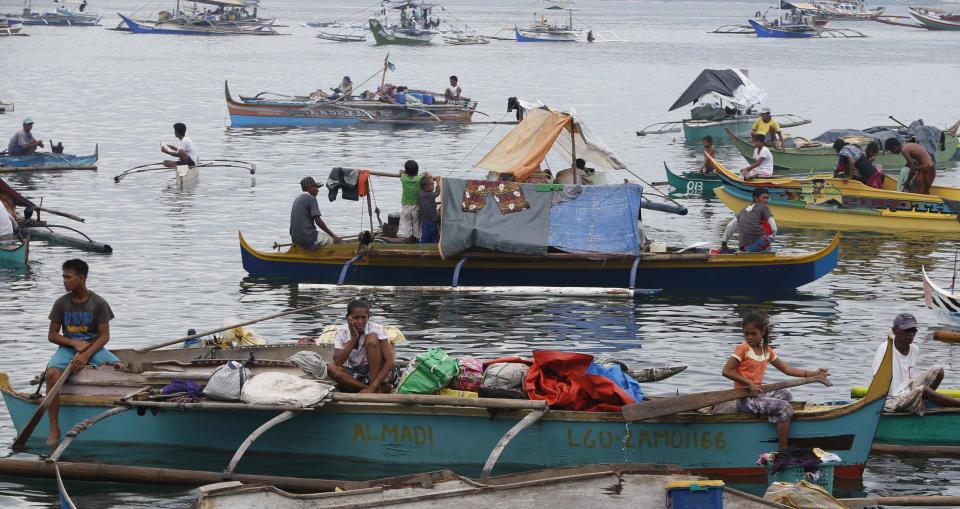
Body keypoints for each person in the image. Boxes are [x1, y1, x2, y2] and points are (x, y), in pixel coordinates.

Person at [722, 310, 828, 450]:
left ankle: (776, 422)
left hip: (757, 396)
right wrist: (749, 383)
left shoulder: (767, 350)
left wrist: (813, 374)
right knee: (784, 407)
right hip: (745, 399)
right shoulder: (743, 349)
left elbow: (786, 369)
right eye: (746, 333)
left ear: (763, 332)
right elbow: (726, 371)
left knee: (786, 393)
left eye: (753, 334)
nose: (749, 337)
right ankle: (783, 450)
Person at [45, 259, 123, 446]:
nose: (64, 281)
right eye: (63, 277)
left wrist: (86, 355)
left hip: (94, 348)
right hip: (67, 349)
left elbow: (104, 336)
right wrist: (73, 343)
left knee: (121, 369)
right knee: (51, 374)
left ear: (81, 278)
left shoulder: (98, 303)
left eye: (68, 277)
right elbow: (52, 335)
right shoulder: (61, 303)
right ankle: (54, 428)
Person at [871, 313, 960, 414]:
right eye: (907, 330)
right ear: (894, 330)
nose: (911, 334)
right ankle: (957, 403)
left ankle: (922, 403)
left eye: (913, 330)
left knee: (938, 371)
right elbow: (876, 380)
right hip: (890, 401)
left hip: (906, 392)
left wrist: (911, 393)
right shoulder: (885, 348)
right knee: (923, 390)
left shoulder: (914, 349)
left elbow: (907, 379)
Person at [326, 299, 400, 393]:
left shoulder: (376, 329)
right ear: (348, 317)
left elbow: (390, 362)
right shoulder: (342, 331)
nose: (360, 321)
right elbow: (337, 363)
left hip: (382, 374)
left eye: (363, 317)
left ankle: (373, 387)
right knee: (331, 369)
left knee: (371, 338)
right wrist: (353, 338)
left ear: (368, 317)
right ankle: (373, 389)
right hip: (359, 374)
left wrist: (373, 385)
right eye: (356, 317)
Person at [289, 177, 343, 249]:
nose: (318, 190)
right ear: (310, 188)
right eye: (316, 187)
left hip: (295, 239)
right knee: (338, 242)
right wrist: (333, 236)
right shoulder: (311, 199)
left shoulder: (297, 199)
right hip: (308, 237)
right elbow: (318, 221)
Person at [722, 187, 777, 252]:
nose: (766, 200)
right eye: (764, 197)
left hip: (743, 247)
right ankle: (765, 249)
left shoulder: (743, 210)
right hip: (756, 246)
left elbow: (730, 226)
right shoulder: (764, 207)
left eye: (767, 198)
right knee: (769, 236)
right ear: (756, 198)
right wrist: (770, 241)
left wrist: (724, 244)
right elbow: (774, 228)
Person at [399, 160, 424, 242]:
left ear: (406, 171)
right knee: (416, 222)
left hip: (406, 206)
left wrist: (404, 172)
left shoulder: (404, 178)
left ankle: (406, 237)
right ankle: (417, 237)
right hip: (416, 206)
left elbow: (400, 172)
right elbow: (425, 173)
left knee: (406, 223)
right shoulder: (418, 179)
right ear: (417, 171)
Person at [418, 175, 441, 244]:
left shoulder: (420, 193)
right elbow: (438, 192)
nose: (433, 187)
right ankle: (435, 244)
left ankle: (424, 244)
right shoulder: (431, 195)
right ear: (426, 187)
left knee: (425, 234)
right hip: (433, 220)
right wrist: (437, 181)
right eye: (432, 185)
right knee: (434, 234)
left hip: (424, 220)